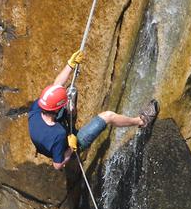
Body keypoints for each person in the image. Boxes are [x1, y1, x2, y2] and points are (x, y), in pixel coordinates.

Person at [28, 50, 158, 170]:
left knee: (71, 91)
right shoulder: (58, 134)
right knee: (108, 116)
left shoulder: (36, 108)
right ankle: (141, 121)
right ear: (57, 109)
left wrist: (70, 64)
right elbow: (57, 165)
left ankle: (71, 115)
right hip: (70, 145)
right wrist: (71, 149)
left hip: (53, 133)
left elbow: (57, 85)